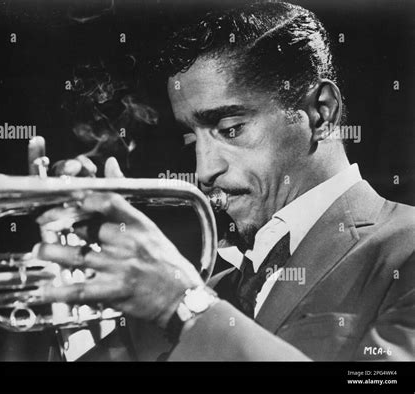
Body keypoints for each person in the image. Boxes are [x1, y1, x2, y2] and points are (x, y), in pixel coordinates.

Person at [34, 1, 415, 361]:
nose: (204, 172)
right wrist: (79, 297)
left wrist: (183, 304)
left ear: (320, 113)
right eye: (190, 139)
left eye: (230, 130)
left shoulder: (405, 249)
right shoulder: (215, 290)